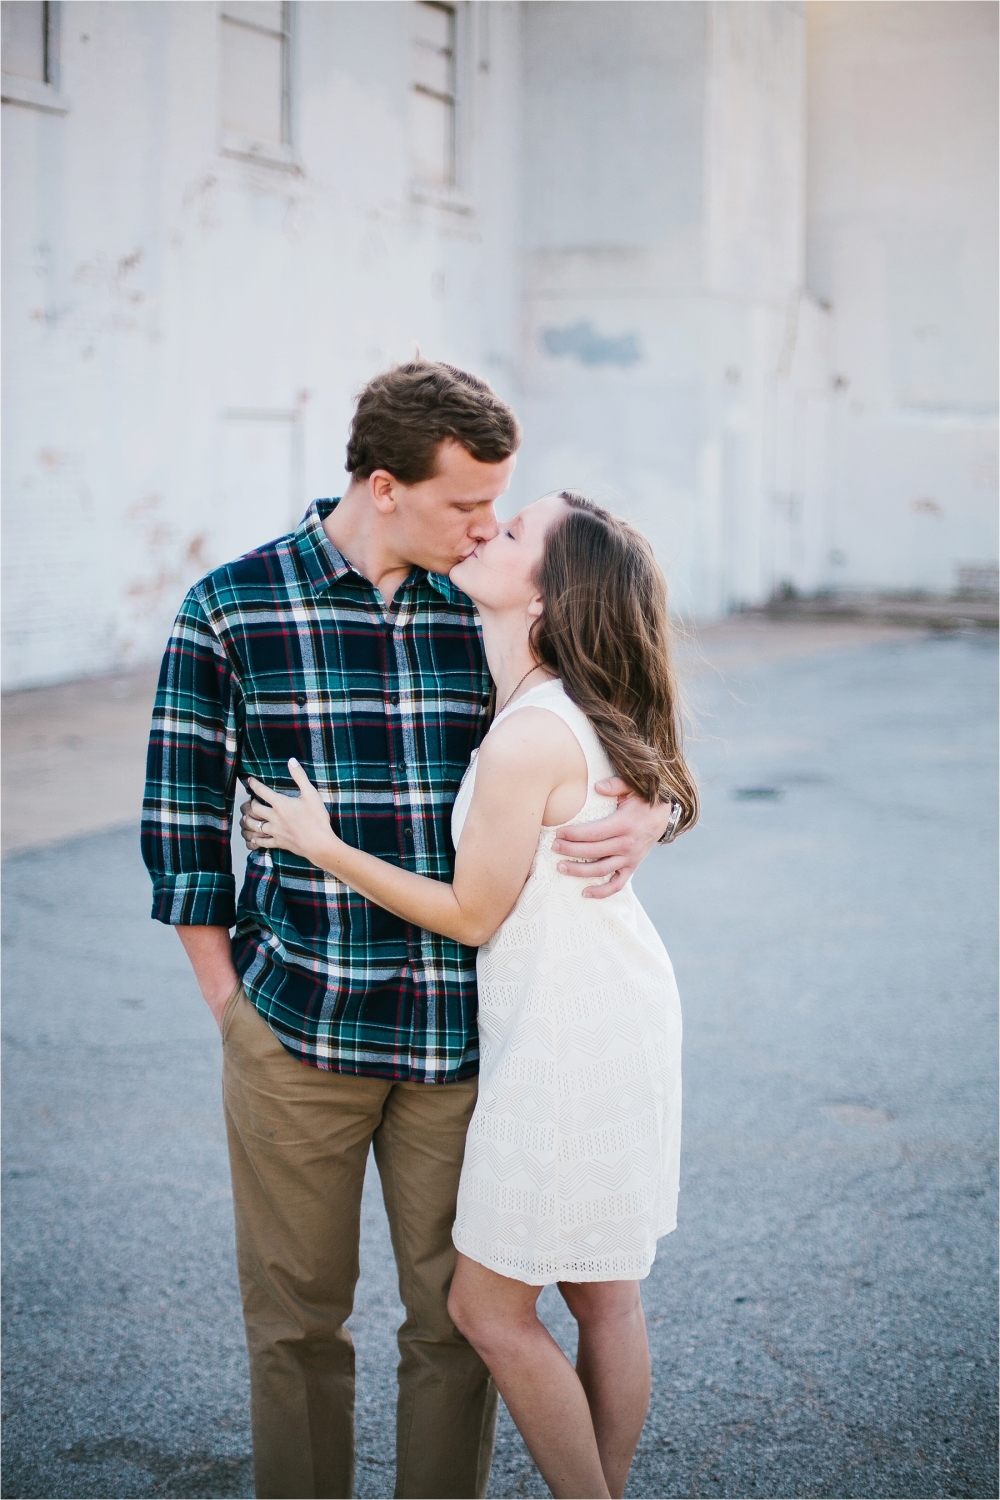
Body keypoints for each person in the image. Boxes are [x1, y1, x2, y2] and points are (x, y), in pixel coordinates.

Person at [141, 362, 678, 1500]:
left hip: (461, 1043)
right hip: (296, 1028)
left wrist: (654, 809)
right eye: (464, 503)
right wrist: (233, 1014)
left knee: (457, 1329)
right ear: (383, 486)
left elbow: (619, 723)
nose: (486, 526)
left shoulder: (485, 600)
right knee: (294, 1329)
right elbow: (181, 829)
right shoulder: (233, 606)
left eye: (500, 505)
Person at [241, 489, 698, 1500]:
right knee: (603, 1293)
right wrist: (657, 806)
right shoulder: (556, 701)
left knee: (488, 1311)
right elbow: (644, 777)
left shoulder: (529, 733)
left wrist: (322, 846)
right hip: (604, 1005)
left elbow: (472, 914)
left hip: (568, 1033)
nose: (492, 530)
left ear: (548, 595)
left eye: (517, 531)